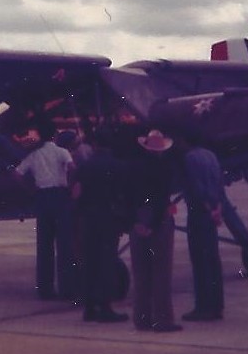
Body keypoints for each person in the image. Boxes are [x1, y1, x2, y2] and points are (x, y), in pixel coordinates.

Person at [73, 127, 130, 323]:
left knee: (90, 261)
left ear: (94, 144)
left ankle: (89, 307)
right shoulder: (119, 166)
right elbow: (124, 195)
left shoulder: (85, 166)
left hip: (88, 218)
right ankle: (105, 307)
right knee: (107, 261)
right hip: (109, 218)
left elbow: (76, 192)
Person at [14, 120, 76, 300]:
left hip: (42, 197)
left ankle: (45, 289)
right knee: (65, 245)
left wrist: (31, 189)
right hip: (60, 196)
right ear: (54, 135)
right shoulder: (62, 152)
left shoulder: (34, 155)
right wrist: (71, 186)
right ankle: (67, 288)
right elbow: (73, 168)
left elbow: (17, 173)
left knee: (44, 245)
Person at [128, 129, 182, 332]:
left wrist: (136, 222)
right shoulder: (164, 168)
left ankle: (141, 318)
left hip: (137, 220)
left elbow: (128, 198)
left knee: (140, 272)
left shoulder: (133, 167)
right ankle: (163, 319)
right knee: (161, 272)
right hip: (158, 221)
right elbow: (161, 199)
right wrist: (152, 224)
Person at [180, 140, 226, 322]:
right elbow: (220, 185)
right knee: (213, 259)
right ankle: (216, 305)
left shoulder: (189, 159)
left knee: (200, 260)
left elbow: (197, 188)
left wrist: (207, 208)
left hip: (199, 213)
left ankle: (203, 306)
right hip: (213, 211)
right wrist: (217, 210)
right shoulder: (211, 155)